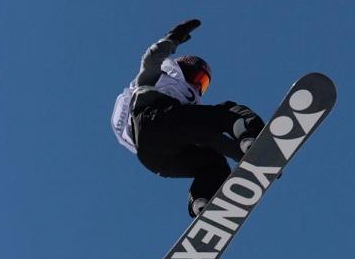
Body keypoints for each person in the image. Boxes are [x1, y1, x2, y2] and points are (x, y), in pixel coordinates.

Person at [111, 19, 265, 218]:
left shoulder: (186, 108)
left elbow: (210, 138)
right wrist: (173, 38)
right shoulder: (161, 78)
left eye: (204, 82)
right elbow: (150, 60)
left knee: (214, 163)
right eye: (198, 76)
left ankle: (201, 202)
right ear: (183, 67)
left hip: (154, 157)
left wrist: (247, 158)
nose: (198, 85)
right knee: (229, 112)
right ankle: (250, 136)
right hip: (156, 117)